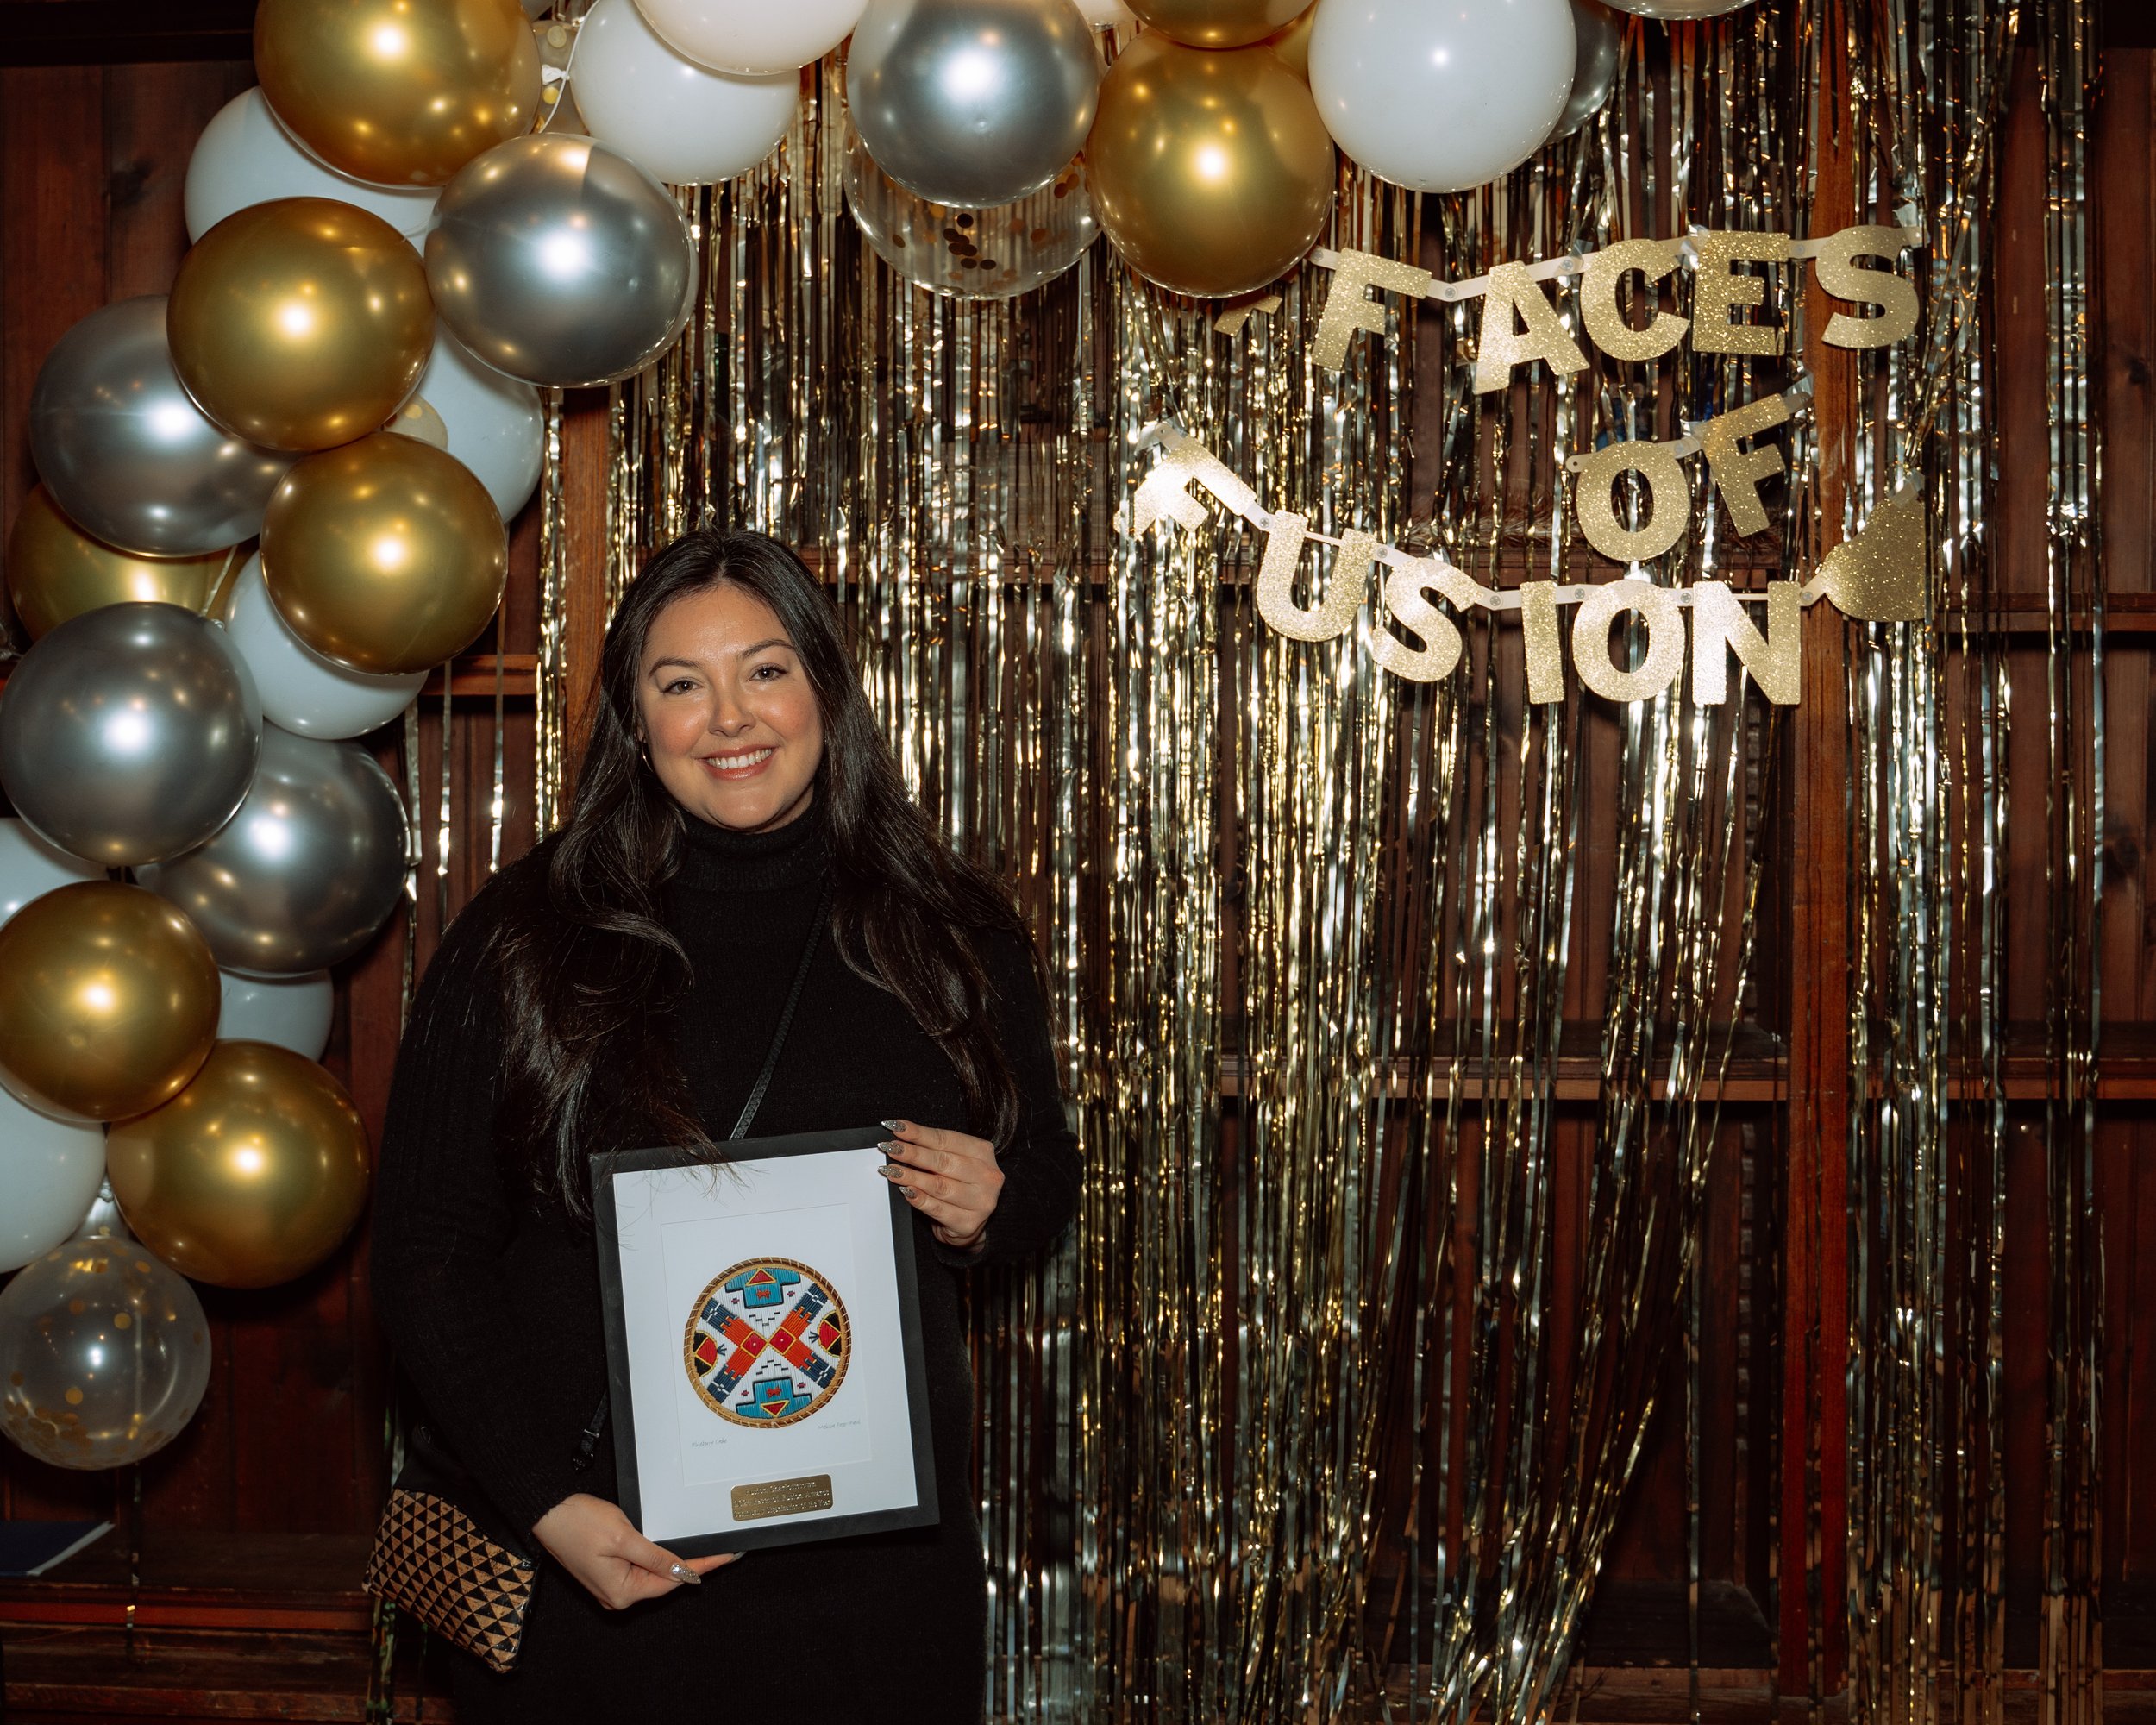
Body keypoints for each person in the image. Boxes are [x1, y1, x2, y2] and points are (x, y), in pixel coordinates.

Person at [371, 529, 1081, 1721]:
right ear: (635, 723)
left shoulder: (947, 927)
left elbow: (1047, 1178)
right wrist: (550, 1506)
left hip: (878, 1585)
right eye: (679, 684)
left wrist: (994, 1202)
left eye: (764, 670)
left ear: (824, 689)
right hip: (607, 1559)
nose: (728, 717)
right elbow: (427, 1252)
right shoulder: (528, 934)